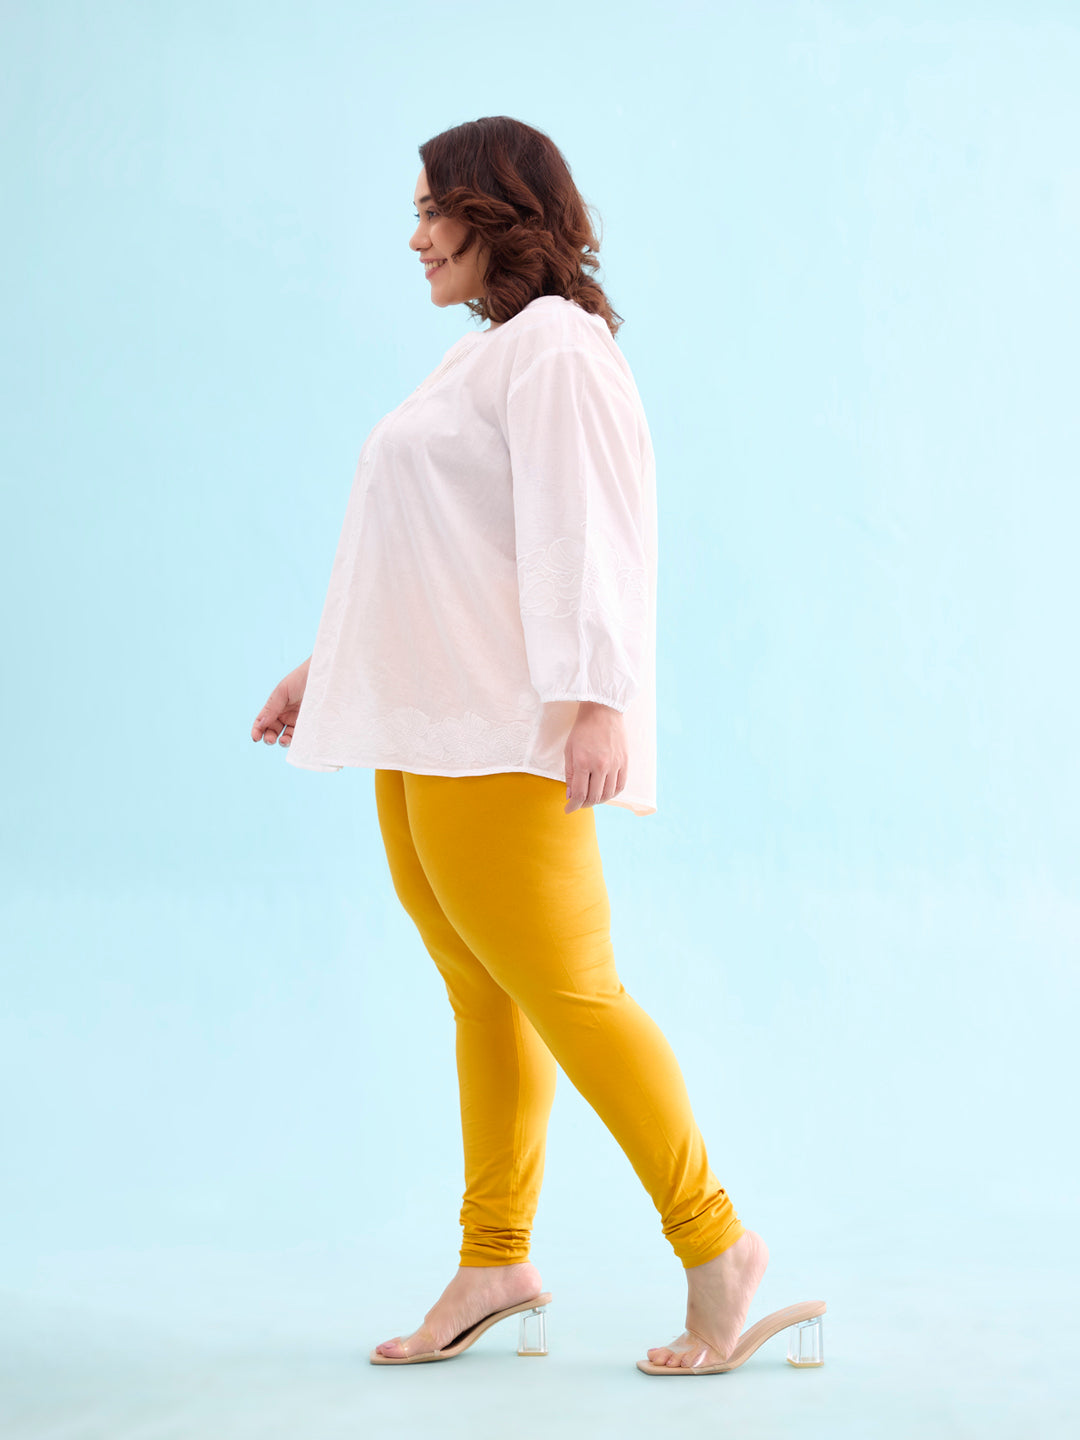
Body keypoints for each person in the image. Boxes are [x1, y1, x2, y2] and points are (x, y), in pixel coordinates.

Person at [251, 116, 818, 1376]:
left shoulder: (558, 345)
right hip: (425, 718)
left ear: (493, 211)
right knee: (484, 992)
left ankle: (718, 1243)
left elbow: (589, 526)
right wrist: (325, 667)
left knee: (572, 993)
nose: (414, 238)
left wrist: (602, 695)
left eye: (431, 211)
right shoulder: (482, 357)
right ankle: (494, 1257)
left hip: (501, 729)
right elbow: (430, 549)